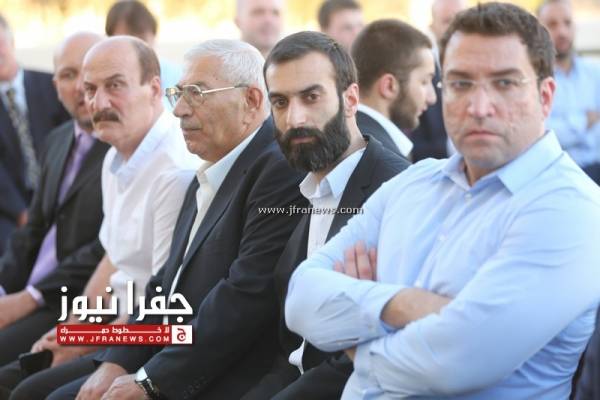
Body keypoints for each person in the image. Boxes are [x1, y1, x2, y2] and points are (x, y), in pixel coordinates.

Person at [285, 3, 600, 398]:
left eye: (504, 83)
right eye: (460, 84)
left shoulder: (572, 209)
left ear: (546, 96)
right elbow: (300, 298)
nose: (478, 107)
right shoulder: (415, 181)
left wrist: (356, 337)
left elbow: (457, 361)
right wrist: (404, 304)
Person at [47, 39, 306, 400]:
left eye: (197, 93)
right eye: (179, 93)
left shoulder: (278, 170)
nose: (180, 110)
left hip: (226, 372)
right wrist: (117, 361)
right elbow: (164, 285)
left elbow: (242, 300)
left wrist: (151, 381)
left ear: (250, 100)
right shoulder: (209, 167)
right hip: (168, 350)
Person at [0, 36, 198, 400]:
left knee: (26, 392)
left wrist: (84, 339)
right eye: (90, 89)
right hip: (111, 325)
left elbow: (161, 303)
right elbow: (112, 260)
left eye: (115, 86)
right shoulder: (114, 156)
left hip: (147, 339)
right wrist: (72, 328)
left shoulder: (174, 171)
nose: (99, 103)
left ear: (155, 89)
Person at [241, 31, 409, 400]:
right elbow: (292, 347)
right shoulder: (302, 188)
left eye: (311, 97)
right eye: (280, 102)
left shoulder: (396, 188)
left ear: (351, 99)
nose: (294, 118)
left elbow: (371, 352)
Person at [0, 32, 106, 366]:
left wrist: (29, 298)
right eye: (68, 75)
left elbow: (106, 248)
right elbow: (33, 229)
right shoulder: (58, 141)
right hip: (31, 288)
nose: (81, 87)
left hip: (75, 298)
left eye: (90, 74)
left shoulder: (122, 148)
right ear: (55, 84)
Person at [0, 14, 70, 254]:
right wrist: (21, 213)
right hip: (12, 205)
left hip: (62, 190)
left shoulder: (52, 85)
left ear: (12, 43)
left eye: (0, 43)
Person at [352, 19, 437, 159]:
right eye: (424, 82)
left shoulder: (347, 139)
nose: (432, 98)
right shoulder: (385, 161)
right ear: (389, 86)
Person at [538, 0, 600, 184]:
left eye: (567, 23)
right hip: (555, 175)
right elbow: (542, 134)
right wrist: (585, 121)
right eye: (552, 24)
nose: (562, 32)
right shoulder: (533, 79)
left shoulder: (594, 73)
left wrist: (566, 126)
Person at [410, 0, 468, 161]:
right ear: (432, 25)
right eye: (447, 21)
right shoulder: (419, 67)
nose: (455, 28)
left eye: (461, 20)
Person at [105, 0, 182, 109]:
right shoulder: (102, 79)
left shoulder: (175, 76)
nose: (135, 49)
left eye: (141, 40)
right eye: (127, 40)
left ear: (154, 36)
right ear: (109, 40)